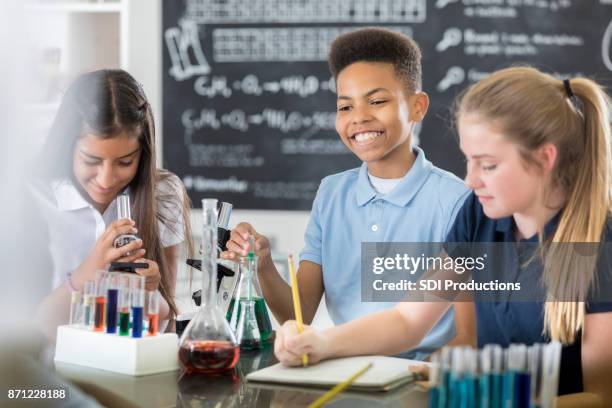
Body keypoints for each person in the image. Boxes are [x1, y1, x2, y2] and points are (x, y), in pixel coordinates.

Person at [274, 66, 612, 404]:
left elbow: (600, 397)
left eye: (488, 165)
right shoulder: (477, 215)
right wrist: (321, 343)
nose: (471, 180)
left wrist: (499, 401)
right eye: (468, 161)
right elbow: (409, 319)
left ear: (544, 158)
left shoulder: (601, 243)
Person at [223, 28, 472, 360]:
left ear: (417, 106)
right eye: (345, 107)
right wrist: (264, 265)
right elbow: (298, 314)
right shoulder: (332, 193)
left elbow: (468, 338)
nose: (359, 118)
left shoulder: (457, 202)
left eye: (378, 101)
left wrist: (422, 375)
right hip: (342, 366)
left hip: (420, 377)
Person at [31, 69, 192, 339]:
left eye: (125, 162)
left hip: (130, 371)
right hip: (49, 376)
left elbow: (165, 319)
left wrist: (150, 291)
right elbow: (31, 330)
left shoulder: (163, 192)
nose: (106, 179)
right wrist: (92, 268)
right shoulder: (33, 198)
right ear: (67, 145)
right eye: (91, 161)